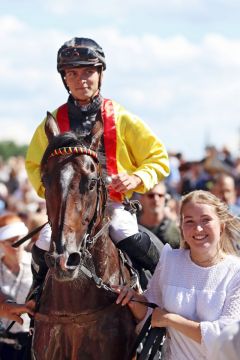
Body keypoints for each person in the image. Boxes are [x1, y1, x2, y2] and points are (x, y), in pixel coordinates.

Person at [25, 37, 170, 300]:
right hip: (69, 211)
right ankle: (35, 301)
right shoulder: (53, 121)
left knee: (127, 234)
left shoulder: (123, 118)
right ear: (64, 79)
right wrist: (56, 195)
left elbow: (158, 157)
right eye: (73, 73)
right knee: (43, 243)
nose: (81, 79)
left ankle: (163, 292)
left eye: (88, 71)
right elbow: (34, 165)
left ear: (100, 74)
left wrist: (136, 177)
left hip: (111, 206)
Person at [115, 190, 240, 360]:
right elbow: (152, 314)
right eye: (189, 221)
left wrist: (172, 320)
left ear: (222, 227)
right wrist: (133, 300)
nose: (198, 228)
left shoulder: (236, 272)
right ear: (181, 227)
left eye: (206, 220)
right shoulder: (170, 260)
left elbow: (226, 337)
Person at [0, 213, 33, 360]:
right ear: (1, 244)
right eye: (12, 243)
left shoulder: (38, 267)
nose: (17, 246)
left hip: (31, 344)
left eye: (20, 240)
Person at [138, 181, 180, 249]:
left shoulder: (175, 230)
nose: (156, 199)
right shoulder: (133, 227)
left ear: (165, 199)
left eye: (160, 195)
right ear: (141, 199)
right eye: (151, 196)